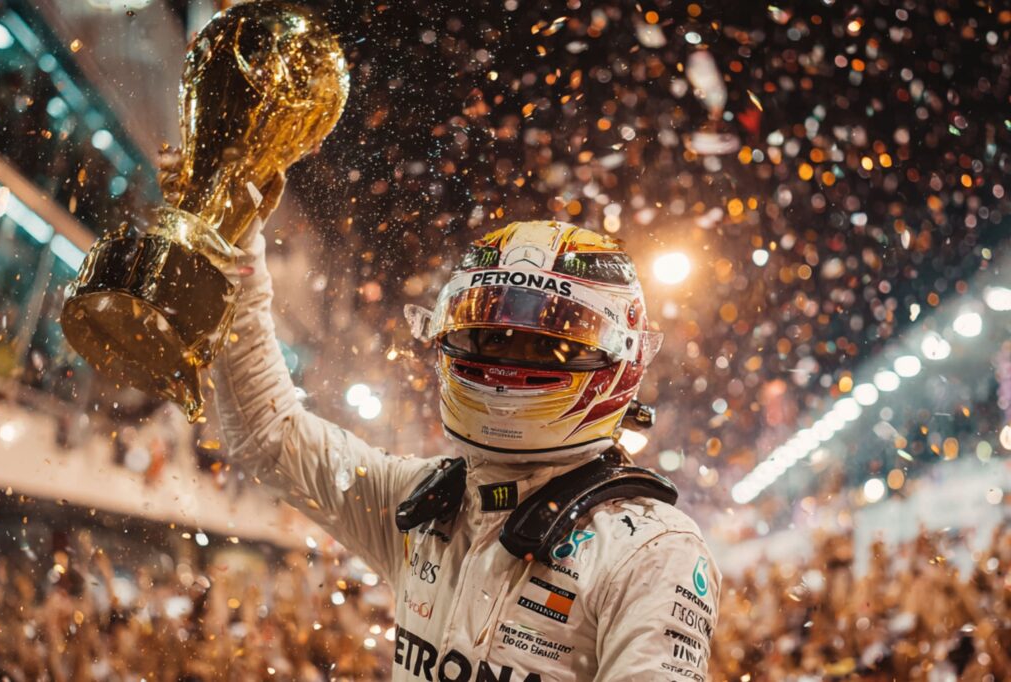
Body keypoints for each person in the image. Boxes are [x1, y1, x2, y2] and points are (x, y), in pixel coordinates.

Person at [158, 151, 720, 681]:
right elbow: (268, 436)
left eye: (542, 344)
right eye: (486, 333)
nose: (503, 362)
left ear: (622, 359)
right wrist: (236, 257)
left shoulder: (652, 550)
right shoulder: (427, 504)